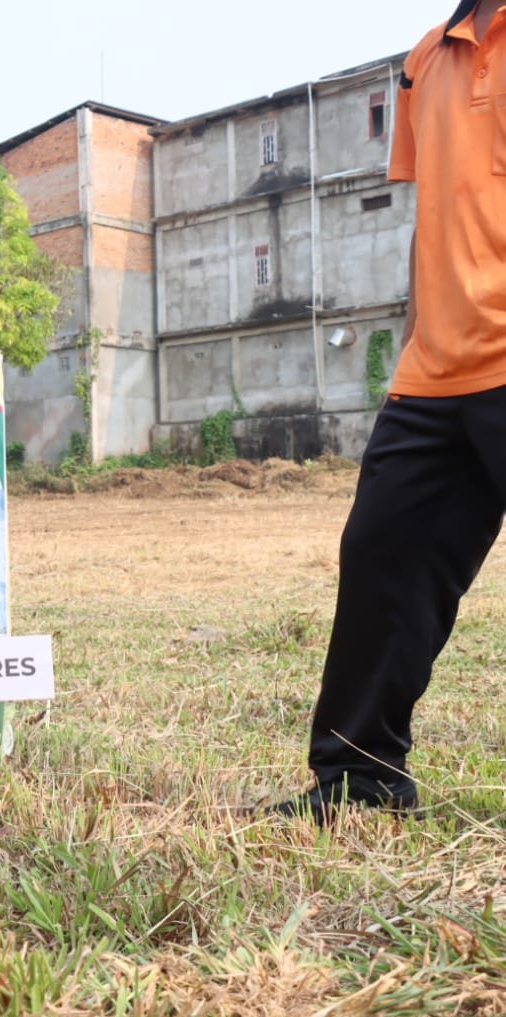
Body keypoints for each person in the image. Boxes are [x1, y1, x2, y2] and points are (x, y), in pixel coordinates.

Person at [267, 0, 506, 823]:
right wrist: (413, 339)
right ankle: (359, 777)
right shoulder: (425, 58)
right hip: (437, 370)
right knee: (384, 559)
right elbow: (432, 213)